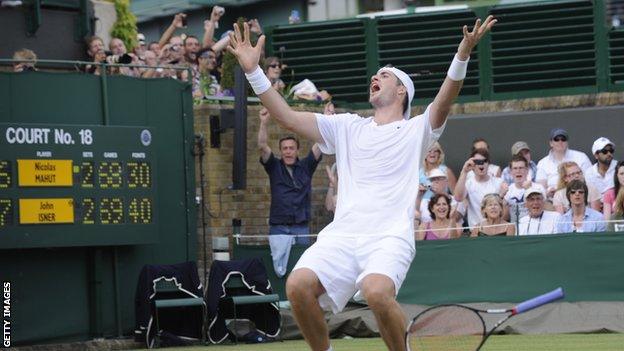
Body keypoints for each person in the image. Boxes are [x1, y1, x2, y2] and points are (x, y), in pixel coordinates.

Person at [227, 16, 496, 351]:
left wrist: (463, 53)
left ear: (402, 91)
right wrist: (253, 71)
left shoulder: (417, 129)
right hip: (343, 235)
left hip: (389, 236)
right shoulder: (346, 126)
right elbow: (287, 117)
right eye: (375, 74)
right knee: (297, 286)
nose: (375, 77)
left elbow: (445, 97)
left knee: (376, 292)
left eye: (384, 75)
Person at [257, 107, 322, 245]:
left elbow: (319, 144)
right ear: (280, 151)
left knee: (301, 263)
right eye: (284, 148)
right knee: (279, 267)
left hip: (301, 227)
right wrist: (263, 122)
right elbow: (262, 146)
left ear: (297, 151)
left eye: (291, 148)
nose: (288, 152)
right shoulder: (274, 167)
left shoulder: (306, 166)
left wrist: (327, 119)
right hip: (279, 227)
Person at [454, 148, 505, 228]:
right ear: (473, 164)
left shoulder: (499, 182)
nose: (481, 164)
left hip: (496, 230)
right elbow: (458, 198)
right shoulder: (469, 183)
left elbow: (504, 210)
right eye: (477, 162)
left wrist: (501, 195)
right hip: (476, 231)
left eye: (484, 161)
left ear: (488, 164)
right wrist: (464, 171)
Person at [536, 128, 592, 197]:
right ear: (551, 143)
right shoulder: (542, 163)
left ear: (567, 142)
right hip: (552, 200)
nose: (560, 142)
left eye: (563, 139)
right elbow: (540, 188)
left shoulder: (581, 157)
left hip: (579, 196)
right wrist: (548, 192)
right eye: (556, 139)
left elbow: (590, 180)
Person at [502, 155, 545, 225]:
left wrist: (529, 190)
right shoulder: (508, 190)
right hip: (516, 230)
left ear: (527, 170)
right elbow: (505, 218)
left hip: (534, 227)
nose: (518, 171)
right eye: (515, 168)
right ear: (510, 171)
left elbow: (544, 210)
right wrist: (502, 197)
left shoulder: (538, 188)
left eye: (521, 168)